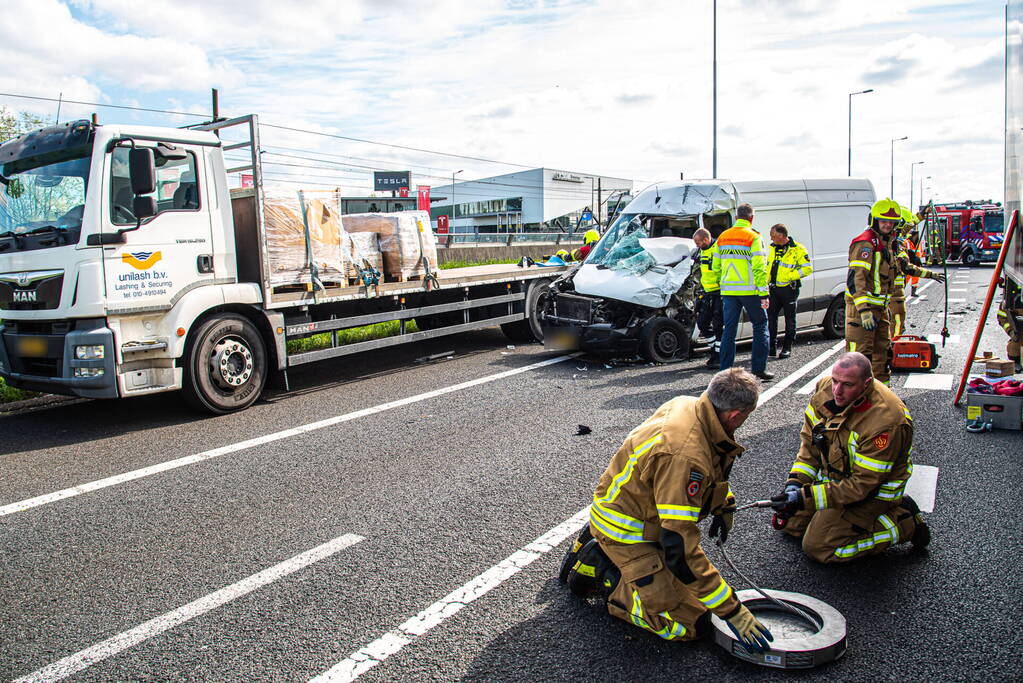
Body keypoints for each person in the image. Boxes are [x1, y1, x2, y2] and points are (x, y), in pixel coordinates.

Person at [560, 368, 774, 652]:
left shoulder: (688, 404)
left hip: (634, 509)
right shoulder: (684, 455)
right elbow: (680, 551)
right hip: (628, 533)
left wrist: (724, 503)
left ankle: (609, 552)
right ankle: (606, 576)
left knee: (695, 594)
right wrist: (732, 610)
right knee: (691, 624)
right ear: (736, 415)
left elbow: (710, 464)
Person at [770, 352, 930, 563]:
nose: (837, 390)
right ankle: (832, 520)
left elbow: (862, 486)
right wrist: (795, 485)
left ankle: (904, 523)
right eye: (835, 381)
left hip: (873, 493)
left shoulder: (886, 420)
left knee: (820, 547)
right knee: (791, 524)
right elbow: (810, 448)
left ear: (867, 384)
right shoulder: (824, 391)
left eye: (847, 384)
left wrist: (804, 497)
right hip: (837, 484)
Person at [845, 198, 944, 384]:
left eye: (891, 222)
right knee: (859, 359)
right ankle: (857, 403)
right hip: (863, 310)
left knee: (883, 354)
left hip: (881, 308)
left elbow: (906, 232)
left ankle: (883, 398)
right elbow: (856, 279)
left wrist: (922, 215)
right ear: (874, 220)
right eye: (884, 221)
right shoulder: (865, 244)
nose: (888, 225)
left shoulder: (890, 243)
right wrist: (864, 311)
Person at [712, 204, 773, 380]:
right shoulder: (753, 237)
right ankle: (758, 369)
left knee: (729, 330)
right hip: (750, 291)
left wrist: (723, 283)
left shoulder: (723, 237)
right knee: (760, 325)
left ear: (736, 216)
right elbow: (759, 268)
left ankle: (724, 371)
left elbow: (716, 266)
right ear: (751, 218)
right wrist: (764, 293)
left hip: (729, 290)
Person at [766, 224, 812, 358]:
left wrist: (789, 276)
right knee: (771, 319)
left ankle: (787, 348)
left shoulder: (797, 249)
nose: (771, 238)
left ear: (781, 236)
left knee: (790, 320)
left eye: (773, 235)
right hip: (773, 289)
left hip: (788, 289)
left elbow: (807, 269)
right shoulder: (772, 247)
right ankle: (771, 348)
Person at [693, 227, 723, 367]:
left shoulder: (718, 249)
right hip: (708, 292)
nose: (697, 245)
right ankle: (714, 351)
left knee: (718, 326)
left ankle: (719, 356)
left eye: (698, 242)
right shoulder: (703, 250)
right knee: (702, 323)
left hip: (720, 292)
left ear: (706, 239)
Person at [997, 277, 1023, 373]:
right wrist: (1011, 331)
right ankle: (1016, 360)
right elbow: (1002, 317)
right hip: (1019, 333)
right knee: (1014, 346)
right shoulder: (1011, 301)